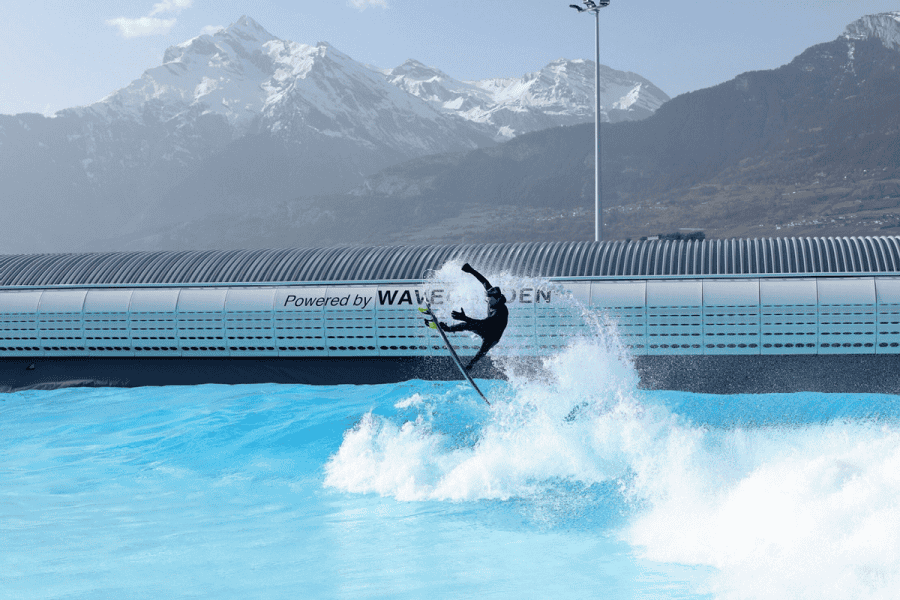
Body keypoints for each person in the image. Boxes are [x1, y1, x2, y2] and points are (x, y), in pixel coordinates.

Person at [431, 263, 508, 371]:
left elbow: (484, 323)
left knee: (482, 351)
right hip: (486, 327)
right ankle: (447, 329)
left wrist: (465, 317)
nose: (487, 301)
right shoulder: (493, 296)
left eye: (489, 299)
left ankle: (471, 365)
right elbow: (484, 281)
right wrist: (471, 270)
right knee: (468, 325)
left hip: (493, 336)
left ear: (496, 299)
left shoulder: (500, 311)